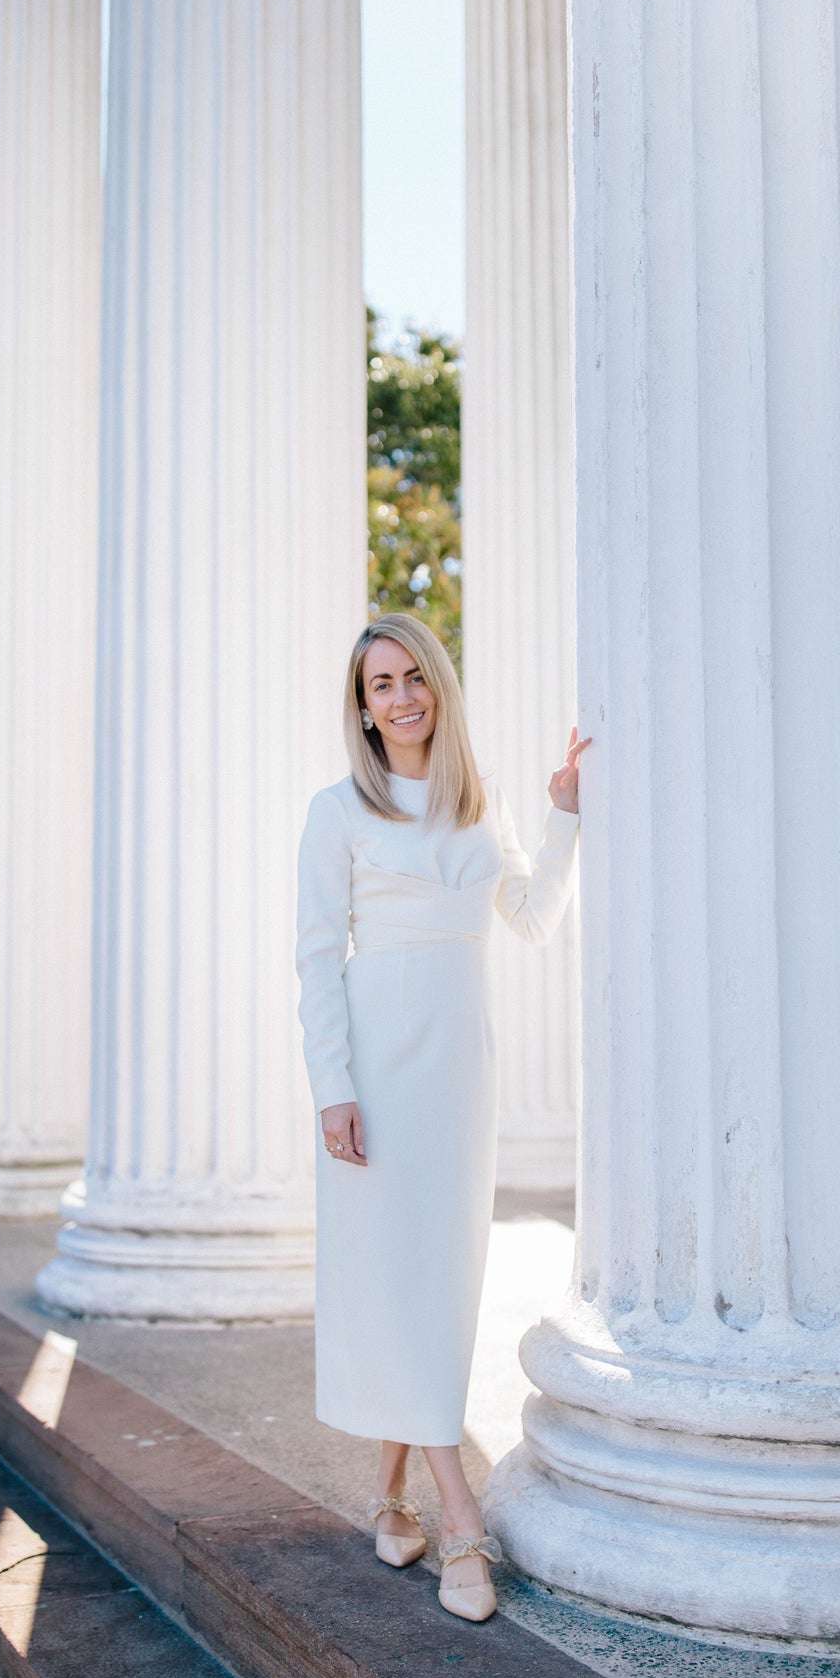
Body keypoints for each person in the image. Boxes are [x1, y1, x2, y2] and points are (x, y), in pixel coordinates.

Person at [295, 612, 588, 1623]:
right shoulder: (336, 812)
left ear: (438, 687)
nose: (403, 697)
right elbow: (313, 958)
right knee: (391, 1274)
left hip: (461, 1071)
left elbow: (534, 918)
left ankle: (387, 1493)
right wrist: (332, 1088)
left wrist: (564, 816)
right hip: (375, 1069)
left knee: (435, 1284)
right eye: (382, 685)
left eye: (415, 677)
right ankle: (458, 1517)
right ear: (363, 709)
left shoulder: (477, 800)